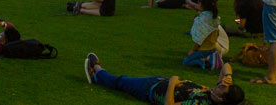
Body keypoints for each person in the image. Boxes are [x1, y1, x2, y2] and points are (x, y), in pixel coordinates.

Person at [83, 52, 244, 104]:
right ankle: (98, 72)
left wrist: (172, 84)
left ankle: (97, 72)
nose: (221, 83)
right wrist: (228, 76)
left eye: (223, 87)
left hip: (151, 90)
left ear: (222, 99)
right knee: (124, 81)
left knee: (121, 81)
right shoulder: (216, 93)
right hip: (158, 81)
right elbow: (226, 65)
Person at [183, 0, 228, 71]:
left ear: (200, 4)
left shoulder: (202, 20)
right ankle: (211, 57)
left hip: (204, 49)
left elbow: (200, 38)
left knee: (186, 61)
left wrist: (193, 50)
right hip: (213, 48)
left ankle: (204, 62)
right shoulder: (213, 17)